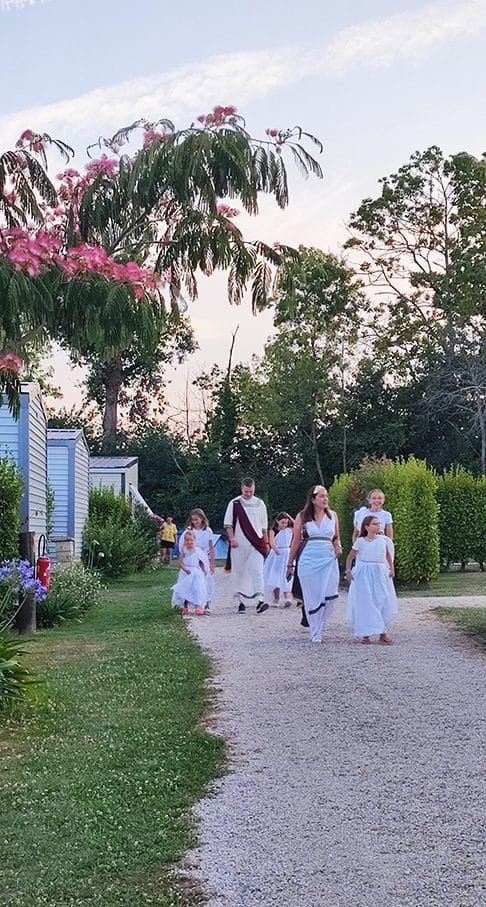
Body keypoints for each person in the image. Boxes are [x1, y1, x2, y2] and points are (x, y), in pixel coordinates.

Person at [287, 485, 342, 643]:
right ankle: (315, 630)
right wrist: (290, 564)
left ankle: (320, 623)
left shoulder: (333, 516)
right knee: (312, 595)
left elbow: (336, 537)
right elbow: (296, 540)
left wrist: (337, 545)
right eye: (322, 496)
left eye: (326, 496)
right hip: (309, 558)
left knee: (330, 594)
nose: (325, 499)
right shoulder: (302, 516)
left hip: (328, 558)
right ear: (313, 499)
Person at [345, 515, 398, 644]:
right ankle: (366, 634)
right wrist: (348, 571)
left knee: (381, 599)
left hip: (379, 571)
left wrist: (391, 568)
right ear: (366, 527)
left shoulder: (382, 540)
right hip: (364, 573)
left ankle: (382, 633)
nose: (378, 526)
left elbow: (388, 555)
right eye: (375, 524)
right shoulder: (360, 541)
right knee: (366, 602)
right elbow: (350, 557)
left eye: (379, 524)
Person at [224, 478, 269, 614]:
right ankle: (241, 602)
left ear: (254, 489)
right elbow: (228, 524)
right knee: (240, 572)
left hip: (256, 542)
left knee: (257, 571)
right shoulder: (235, 503)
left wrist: (266, 543)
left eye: (251, 491)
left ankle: (260, 600)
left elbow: (264, 527)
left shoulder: (259, 504)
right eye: (246, 491)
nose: (248, 494)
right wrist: (232, 538)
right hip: (239, 543)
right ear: (241, 489)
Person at [179, 509, 215, 613]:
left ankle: (206, 604)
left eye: (197, 519)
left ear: (202, 519)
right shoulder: (188, 531)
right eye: (193, 520)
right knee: (190, 581)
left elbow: (211, 547)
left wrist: (212, 563)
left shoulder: (207, 531)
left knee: (205, 580)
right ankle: (188, 603)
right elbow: (182, 545)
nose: (195, 522)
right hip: (191, 558)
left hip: (203, 558)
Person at [171, 529, 208, 617]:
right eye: (187, 540)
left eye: (191, 540)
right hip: (186, 572)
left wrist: (203, 570)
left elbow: (201, 562)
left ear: (195, 540)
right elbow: (180, 562)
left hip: (196, 572)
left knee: (197, 589)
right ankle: (185, 606)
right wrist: (185, 569)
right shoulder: (184, 550)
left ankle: (198, 606)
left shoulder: (197, 551)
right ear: (184, 541)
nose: (189, 542)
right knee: (186, 589)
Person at [263, 512, 294, 607]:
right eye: (282, 523)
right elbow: (271, 541)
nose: (284, 525)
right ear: (277, 521)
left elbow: (296, 524)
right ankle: (276, 598)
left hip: (287, 553)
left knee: (286, 576)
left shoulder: (290, 530)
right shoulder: (273, 531)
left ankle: (287, 597)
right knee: (275, 576)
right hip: (276, 555)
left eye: (286, 522)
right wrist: (275, 549)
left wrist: (288, 516)